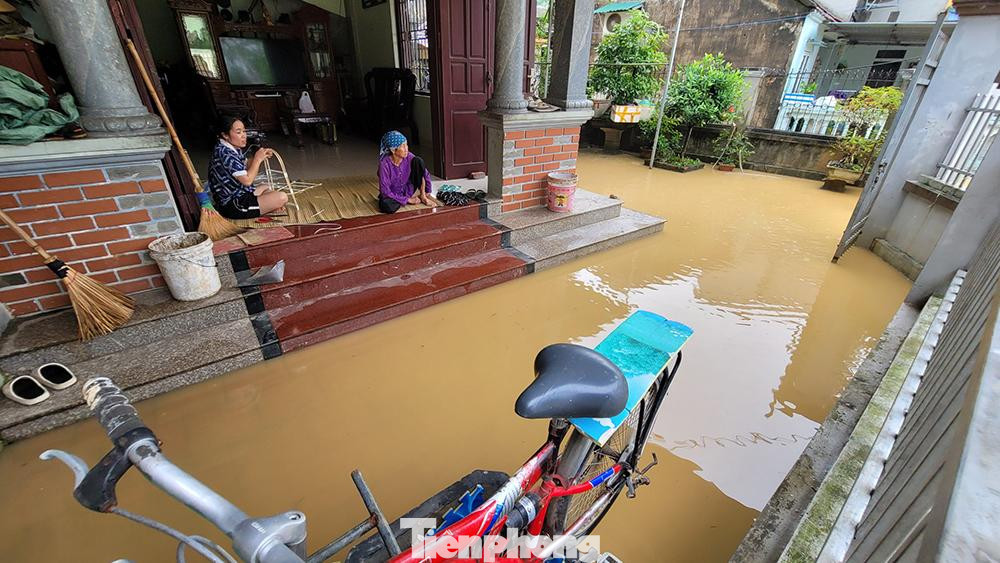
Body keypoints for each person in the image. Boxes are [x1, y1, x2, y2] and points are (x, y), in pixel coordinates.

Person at [208, 116, 288, 219]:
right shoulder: (225, 154)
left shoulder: (230, 148)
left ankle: (266, 207)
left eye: (244, 131)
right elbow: (247, 181)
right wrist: (257, 160)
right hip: (234, 205)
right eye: (238, 132)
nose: (244, 136)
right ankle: (267, 208)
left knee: (265, 187)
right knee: (282, 197)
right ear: (225, 135)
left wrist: (257, 156)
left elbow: (244, 166)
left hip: (240, 194)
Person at [377, 130, 437, 214]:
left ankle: (422, 196)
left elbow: (424, 172)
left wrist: (427, 191)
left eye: (407, 145)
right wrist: (408, 200)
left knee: (418, 161)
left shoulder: (409, 156)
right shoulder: (384, 164)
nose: (406, 149)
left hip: (408, 189)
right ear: (393, 150)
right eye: (403, 146)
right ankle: (402, 200)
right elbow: (385, 191)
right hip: (393, 194)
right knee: (386, 206)